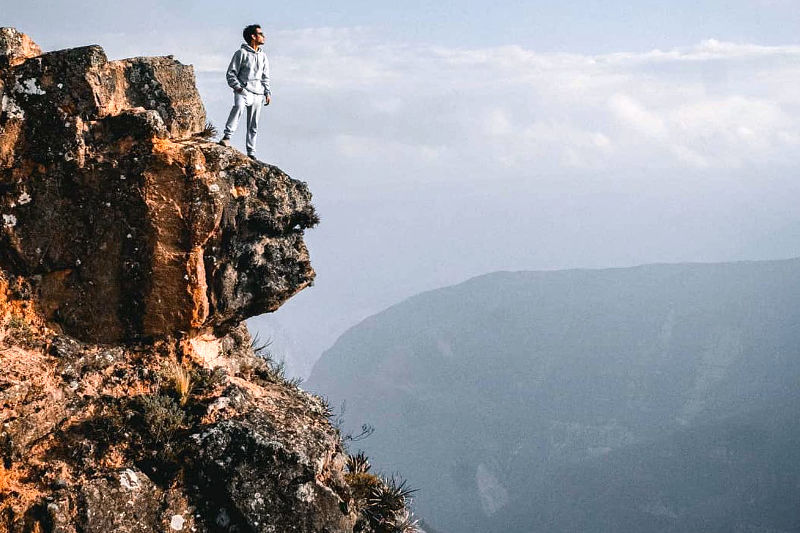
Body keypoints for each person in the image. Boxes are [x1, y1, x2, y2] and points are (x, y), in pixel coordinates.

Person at [218, 24, 271, 160]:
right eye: (261, 33)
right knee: (238, 108)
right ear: (253, 36)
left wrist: (267, 92)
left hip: (258, 93)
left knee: (254, 123)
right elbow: (231, 73)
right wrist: (238, 87)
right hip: (243, 90)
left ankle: (251, 151)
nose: (264, 36)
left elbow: (265, 76)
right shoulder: (241, 53)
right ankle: (227, 137)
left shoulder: (263, 56)